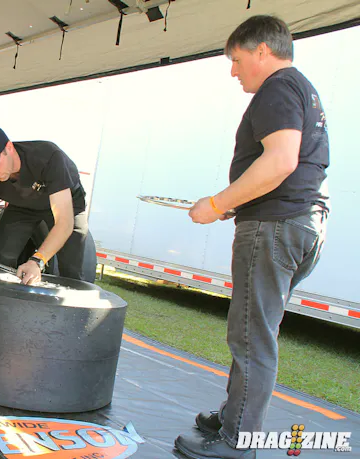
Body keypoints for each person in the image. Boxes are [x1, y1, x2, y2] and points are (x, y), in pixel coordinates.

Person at [174, 15, 329, 459]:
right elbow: (292, 167)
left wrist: (217, 203)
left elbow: (280, 161)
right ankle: (233, 418)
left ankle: (238, 440)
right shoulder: (301, 89)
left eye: (237, 59)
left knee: (251, 337)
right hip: (299, 221)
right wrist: (240, 203)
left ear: (262, 50)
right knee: (256, 330)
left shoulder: (278, 88)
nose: (233, 71)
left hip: (275, 226)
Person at [0, 125, 92, 285]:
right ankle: (1, 297)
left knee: (71, 267)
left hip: (67, 204)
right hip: (22, 205)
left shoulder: (49, 157)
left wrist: (37, 260)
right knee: (0, 256)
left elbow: (64, 222)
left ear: (9, 148)